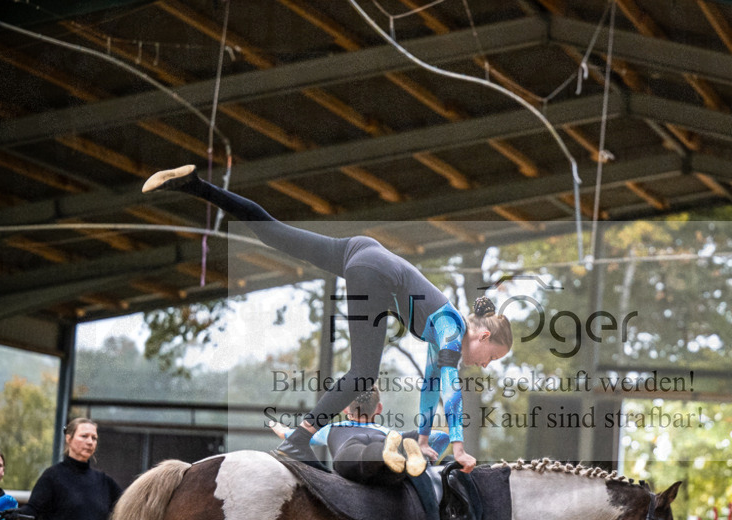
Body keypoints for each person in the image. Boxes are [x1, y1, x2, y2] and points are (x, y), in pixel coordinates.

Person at [142, 165, 513, 473]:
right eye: (492, 357)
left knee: (274, 233)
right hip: (375, 271)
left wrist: (423, 440)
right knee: (364, 373)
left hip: (360, 250)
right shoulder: (451, 327)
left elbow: (431, 388)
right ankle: (299, 439)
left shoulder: (442, 336)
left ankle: (194, 185)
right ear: (481, 336)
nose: (484, 365)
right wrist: (460, 448)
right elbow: (451, 386)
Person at [269, 385, 451, 485]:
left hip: (353, 456)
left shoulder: (331, 429)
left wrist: (274, 424)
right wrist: (429, 457)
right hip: (385, 444)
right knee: (394, 470)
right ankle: (404, 457)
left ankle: (382, 453)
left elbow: (291, 436)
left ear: (345, 408)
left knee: (353, 459)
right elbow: (441, 437)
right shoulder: (390, 433)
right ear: (379, 409)